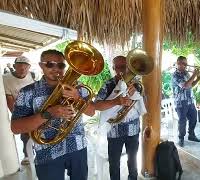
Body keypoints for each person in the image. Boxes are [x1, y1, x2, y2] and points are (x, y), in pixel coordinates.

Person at [11, 50, 95, 180]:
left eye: (61, 65)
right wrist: (48, 113)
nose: (56, 69)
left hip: (77, 146)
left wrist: (78, 98)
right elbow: (16, 128)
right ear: (41, 66)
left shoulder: (77, 88)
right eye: (50, 64)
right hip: (47, 151)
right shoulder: (27, 92)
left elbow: (91, 112)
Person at [94, 56, 144, 180]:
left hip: (133, 129)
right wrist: (116, 101)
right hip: (114, 131)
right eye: (119, 67)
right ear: (114, 68)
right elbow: (97, 106)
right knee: (114, 163)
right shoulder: (108, 84)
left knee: (133, 161)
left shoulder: (136, 84)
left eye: (125, 67)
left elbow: (144, 103)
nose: (122, 70)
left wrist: (136, 94)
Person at [3, 56, 35, 165]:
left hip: (33, 107)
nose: (23, 70)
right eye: (20, 67)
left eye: (25, 68)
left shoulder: (32, 75)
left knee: (37, 131)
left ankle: (37, 151)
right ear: (14, 66)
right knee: (25, 132)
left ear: (29, 68)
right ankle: (27, 155)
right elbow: (9, 100)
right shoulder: (5, 78)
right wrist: (18, 116)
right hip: (19, 109)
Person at [172, 56, 200, 147]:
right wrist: (194, 74)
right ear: (178, 63)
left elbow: (190, 85)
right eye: (183, 63)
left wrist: (197, 79)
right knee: (182, 121)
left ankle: (191, 135)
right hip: (180, 102)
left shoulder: (186, 73)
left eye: (186, 63)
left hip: (190, 100)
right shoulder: (175, 75)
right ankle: (181, 138)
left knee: (194, 118)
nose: (185, 65)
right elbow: (184, 85)